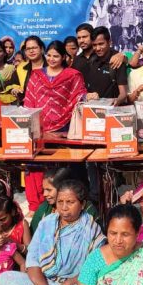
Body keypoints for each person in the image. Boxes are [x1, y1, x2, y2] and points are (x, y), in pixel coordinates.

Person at [0, 180, 104, 285]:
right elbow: (32, 259)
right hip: (44, 282)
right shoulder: (47, 223)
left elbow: (92, 268)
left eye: (70, 202)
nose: (64, 207)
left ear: (82, 204)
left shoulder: (92, 230)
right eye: (60, 202)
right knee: (5, 278)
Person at [22, 40, 87, 211]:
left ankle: (69, 204)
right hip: (40, 129)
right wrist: (31, 125)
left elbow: (79, 97)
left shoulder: (72, 75)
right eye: (49, 55)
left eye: (56, 56)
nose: (51, 59)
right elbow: (29, 100)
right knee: (39, 168)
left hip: (64, 127)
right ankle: (40, 207)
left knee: (65, 169)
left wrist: (88, 97)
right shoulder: (36, 76)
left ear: (63, 57)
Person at [30, 168, 98, 235]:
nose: (44, 194)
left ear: (64, 188)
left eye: (49, 190)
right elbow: (34, 236)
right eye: (43, 190)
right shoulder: (44, 208)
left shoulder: (88, 210)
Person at [82, 27, 128, 104]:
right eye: (94, 45)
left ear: (109, 42)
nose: (97, 48)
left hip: (111, 109)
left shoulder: (117, 61)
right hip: (92, 108)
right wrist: (86, 96)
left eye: (101, 44)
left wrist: (115, 103)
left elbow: (123, 94)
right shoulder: (92, 60)